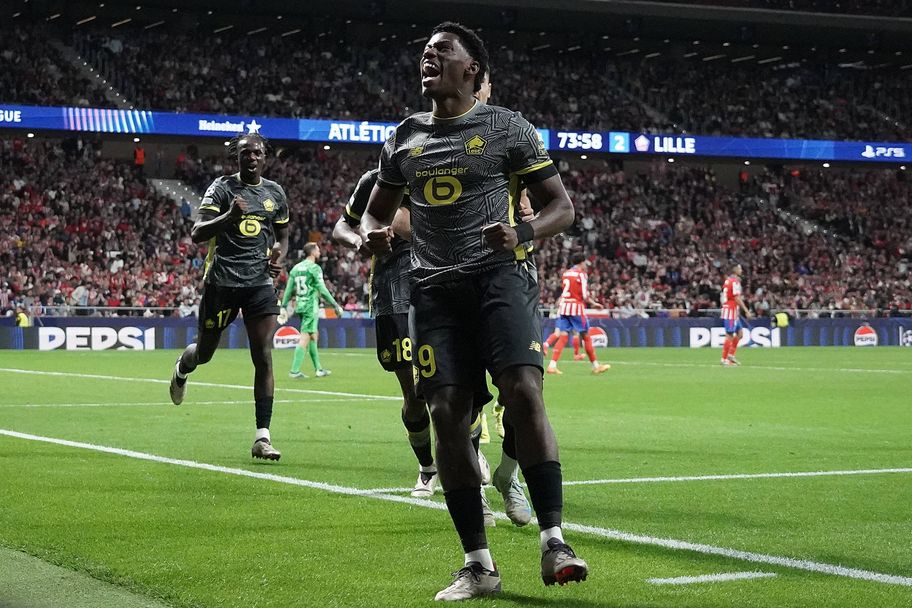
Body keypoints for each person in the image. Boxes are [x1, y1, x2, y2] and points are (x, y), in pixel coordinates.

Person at [361, 22, 588, 601]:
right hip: (433, 290)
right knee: (446, 413)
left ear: (474, 71)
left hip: (500, 278)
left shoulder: (507, 127)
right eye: (425, 52)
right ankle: (478, 564)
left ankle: (554, 540)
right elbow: (373, 212)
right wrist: (375, 235)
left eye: (442, 51)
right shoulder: (404, 138)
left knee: (523, 391)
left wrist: (521, 232)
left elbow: (562, 208)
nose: (428, 58)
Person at [168, 132, 289, 462]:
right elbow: (197, 233)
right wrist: (228, 218)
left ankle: (262, 437)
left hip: (259, 285)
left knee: (263, 353)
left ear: (265, 157)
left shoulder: (274, 193)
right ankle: (182, 368)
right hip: (221, 283)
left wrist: (278, 255)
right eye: (245, 153)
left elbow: (283, 234)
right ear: (236, 157)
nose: (251, 157)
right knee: (205, 353)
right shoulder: (221, 188)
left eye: (257, 153)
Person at [333, 170, 440, 497]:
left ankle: (466, 449)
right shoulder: (374, 182)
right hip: (392, 292)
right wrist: (359, 239)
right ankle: (427, 467)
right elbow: (342, 225)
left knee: (449, 385)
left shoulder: (438, 175)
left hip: (438, 282)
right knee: (413, 393)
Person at [281, 243, 343, 379]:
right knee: (305, 336)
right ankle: (294, 370)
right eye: (318, 250)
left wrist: (283, 306)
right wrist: (335, 304)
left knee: (314, 335)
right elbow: (323, 290)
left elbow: (289, 289)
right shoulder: (314, 268)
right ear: (313, 252)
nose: (320, 252)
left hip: (300, 305)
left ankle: (319, 369)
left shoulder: (296, 268)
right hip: (310, 306)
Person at [546, 253, 611, 375]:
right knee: (586, 336)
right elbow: (584, 295)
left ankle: (552, 366)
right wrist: (594, 304)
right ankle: (596, 366)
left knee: (564, 335)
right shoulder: (582, 275)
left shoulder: (566, 273)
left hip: (563, 307)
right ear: (582, 262)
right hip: (575, 308)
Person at [721, 262, 751, 366]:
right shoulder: (734, 282)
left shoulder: (728, 281)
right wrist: (746, 310)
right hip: (730, 311)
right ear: (735, 270)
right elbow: (736, 298)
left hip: (732, 311)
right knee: (729, 335)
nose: (741, 270)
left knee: (740, 334)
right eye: (740, 268)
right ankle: (724, 359)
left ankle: (730, 356)